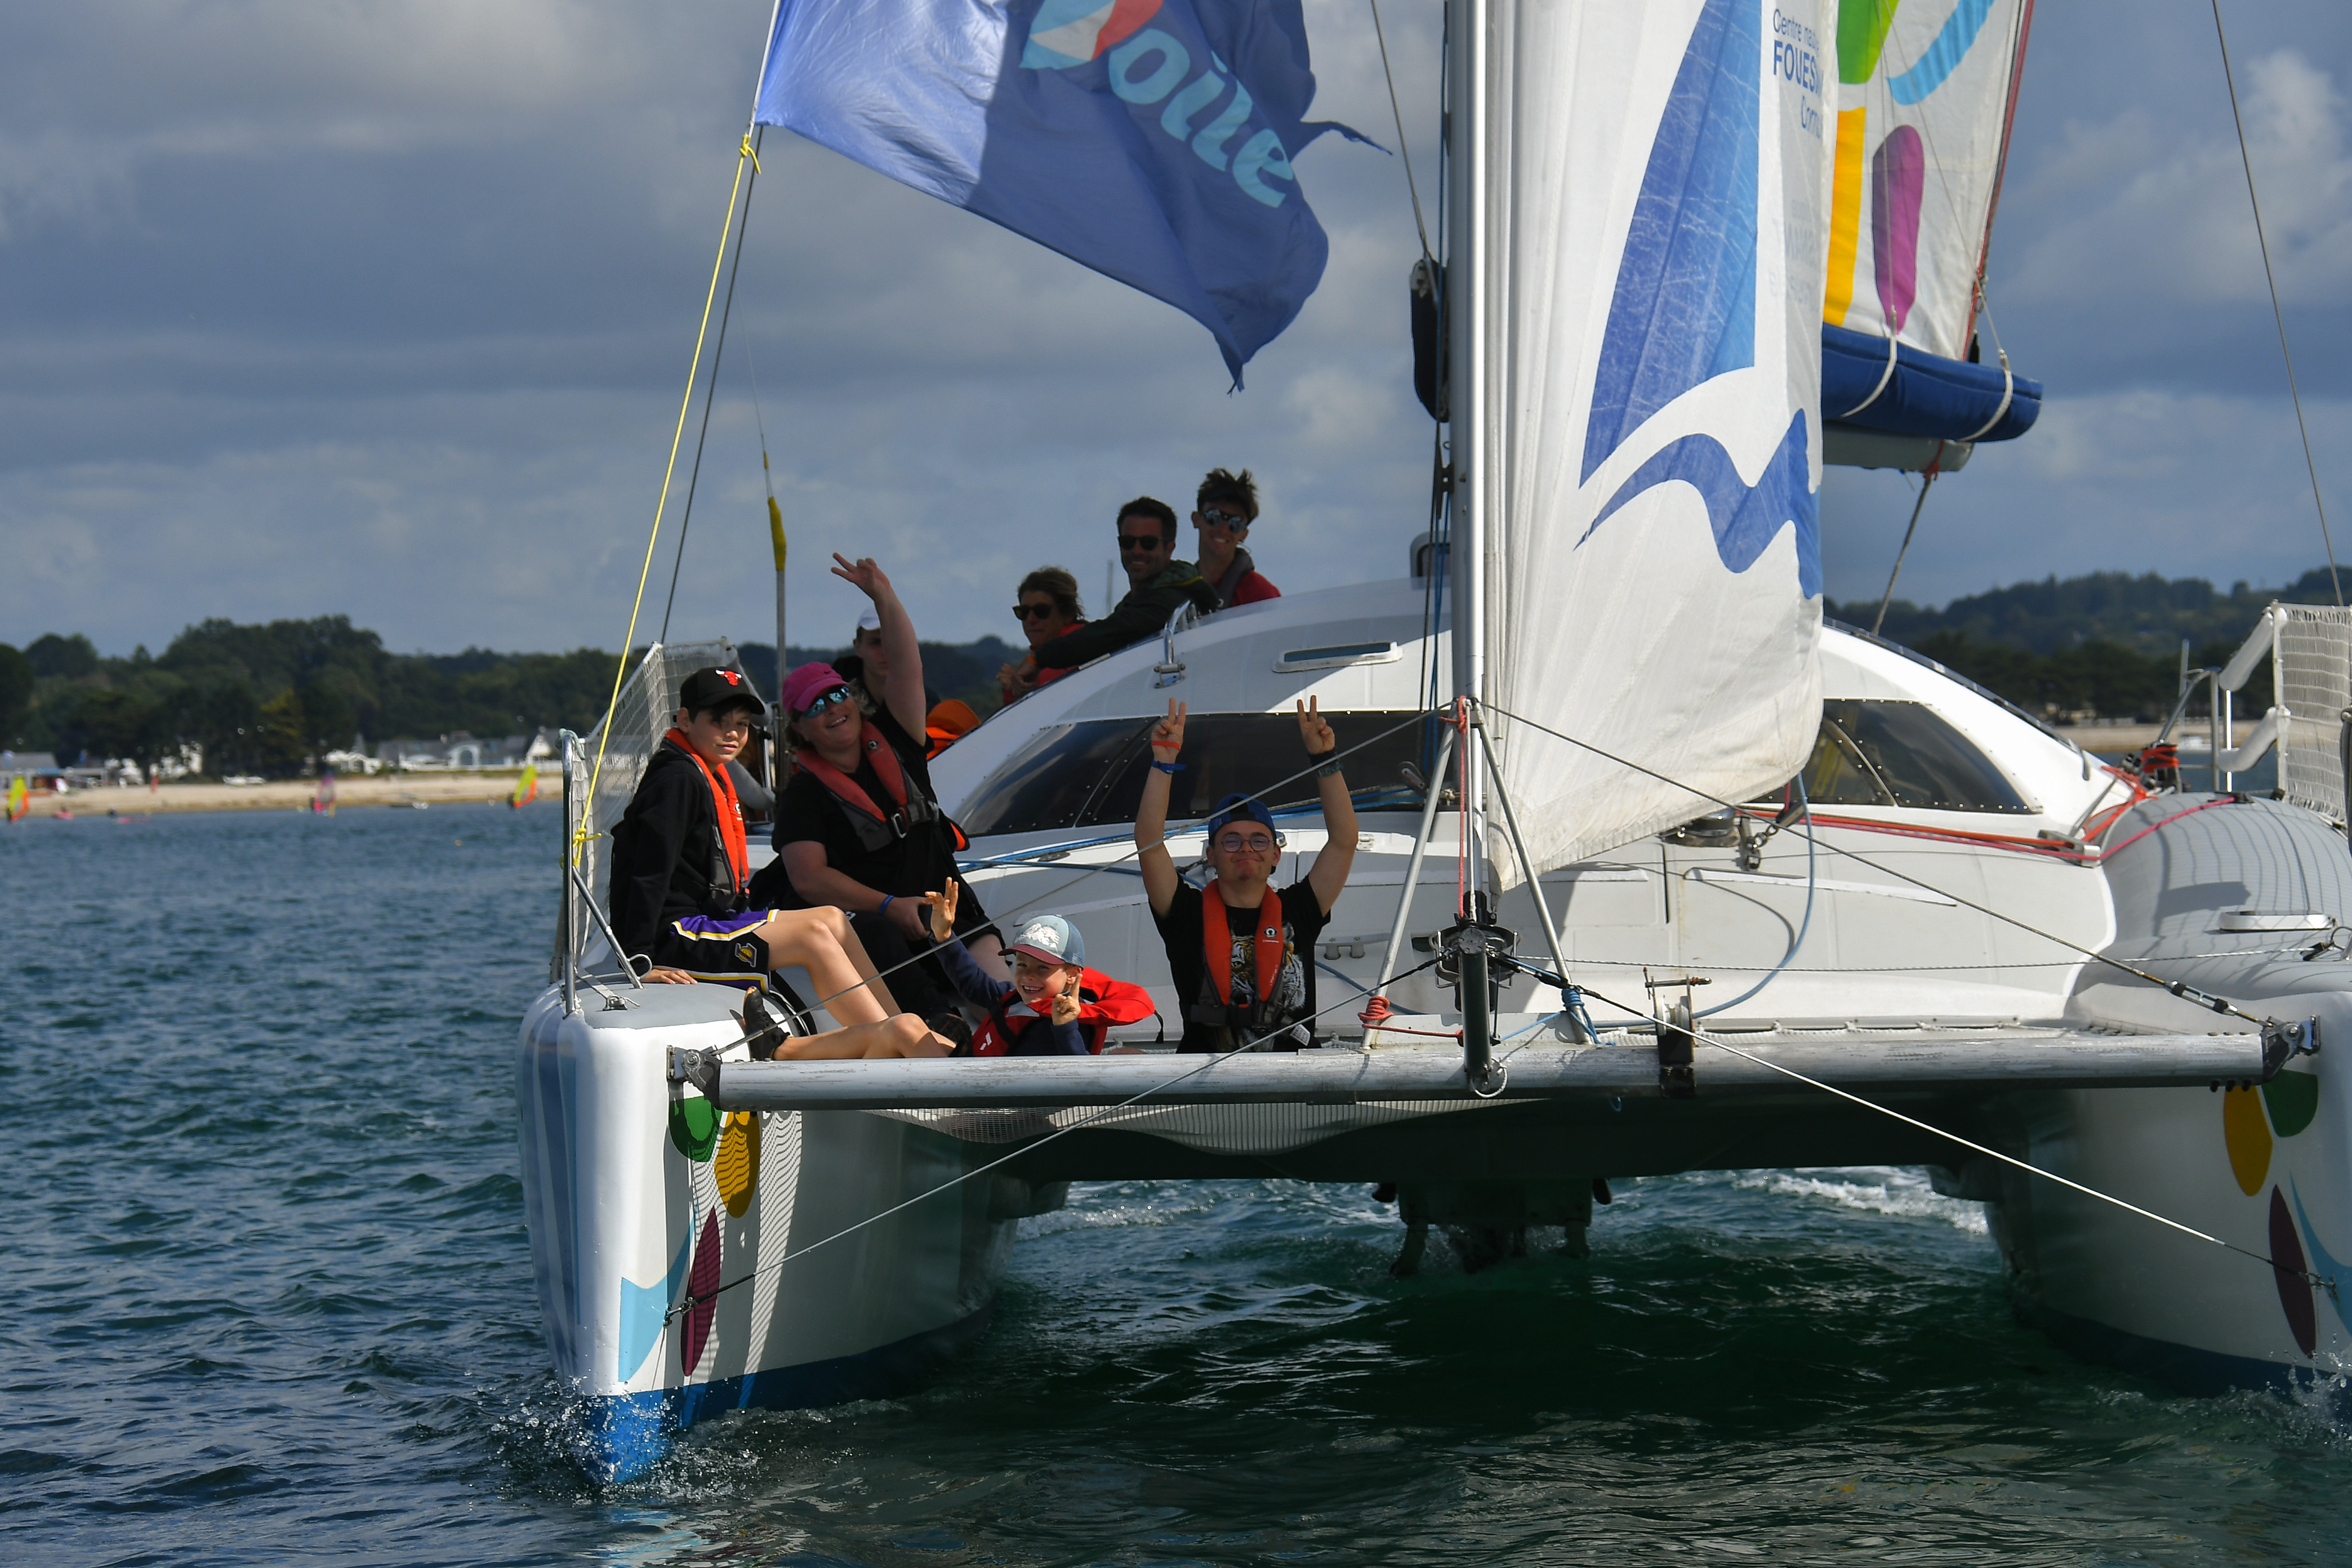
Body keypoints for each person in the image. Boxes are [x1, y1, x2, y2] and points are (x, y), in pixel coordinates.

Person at [606, 665, 952, 1058]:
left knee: (832, 918)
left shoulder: (699, 771)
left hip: (703, 923)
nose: (733, 733)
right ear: (685, 720)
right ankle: (896, 1042)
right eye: (719, 722)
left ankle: (897, 1029)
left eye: (741, 724)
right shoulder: (677, 780)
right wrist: (639, 958)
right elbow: (648, 871)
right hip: (677, 937)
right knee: (812, 936)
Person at [760, 555, 1004, 1013]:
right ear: (800, 729)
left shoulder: (898, 737)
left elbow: (908, 667)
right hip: (885, 930)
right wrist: (890, 905)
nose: (833, 709)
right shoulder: (804, 796)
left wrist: (883, 596)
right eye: (816, 707)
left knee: (1009, 1006)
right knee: (931, 1011)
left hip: (953, 915)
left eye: (837, 695)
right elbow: (809, 878)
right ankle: (939, 1031)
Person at [1135, 697, 1357, 1052]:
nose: (1246, 848)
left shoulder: (1300, 909)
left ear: (1275, 856)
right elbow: (1149, 843)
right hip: (1205, 1076)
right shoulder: (1184, 914)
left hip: (1295, 1076)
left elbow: (1344, 841)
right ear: (1210, 856)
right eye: (1231, 840)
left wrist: (1325, 759)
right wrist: (1164, 762)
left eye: (1259, 840)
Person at [1004, 499, 1219, 689]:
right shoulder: (1142, 601)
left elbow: (1114, 632)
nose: (1137, 551)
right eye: (1128, 542)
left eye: (1148, 543)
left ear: (1169, 548)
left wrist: (1039, 658)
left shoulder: (1174, 598)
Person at [922, 889, 1156, 1055]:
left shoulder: (1073, 1016)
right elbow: (972, 983)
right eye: (1022, 965)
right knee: (909, 1025)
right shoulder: (1013, 997)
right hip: (978, 1076)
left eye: (1043, 967)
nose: (1028, 976)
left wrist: (1065, 1026)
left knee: (1130, 1056)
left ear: (1072, 975)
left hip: (1007, 1101)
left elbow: (1078, 1076)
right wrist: (945, 937)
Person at [997, 567, 1087, 705]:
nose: (1031, 620)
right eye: (1024, 612)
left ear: (1068, 614)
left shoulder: (1063, 660)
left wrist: (1015, 689)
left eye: (1041, 611)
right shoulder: (1046, 659)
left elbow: (1033, 713)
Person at [1192, 467, 1280, 608]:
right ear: (1196, 519)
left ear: (1244, 534)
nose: (1223, 529)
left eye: (1236, 523)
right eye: (1215, 516)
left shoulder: (1262, 595)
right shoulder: (1178, 590)